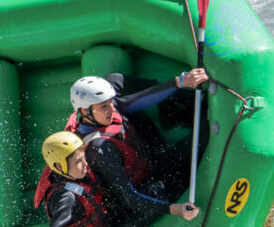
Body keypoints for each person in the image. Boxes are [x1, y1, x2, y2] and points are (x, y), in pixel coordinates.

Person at [35, 131, 199, 227]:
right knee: (153, 203)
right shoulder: (66, 197)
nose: (86, 163)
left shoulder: (74, 173)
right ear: (59, 166)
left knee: (153, 189)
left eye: (83, 156)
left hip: (108, 216)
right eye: (79, 161)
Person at [66, 69, 208, 216]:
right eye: (104, 106)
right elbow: (129, 199)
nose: (112, 109)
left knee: (113, 80)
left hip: (147, 148)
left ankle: (182, 107)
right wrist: (174, 209)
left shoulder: (102, 113)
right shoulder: (98, 149)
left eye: (110, 103)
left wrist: (180, 82)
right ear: (84, 111)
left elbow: (132, 102)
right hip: (152, 178)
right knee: (205, 132)